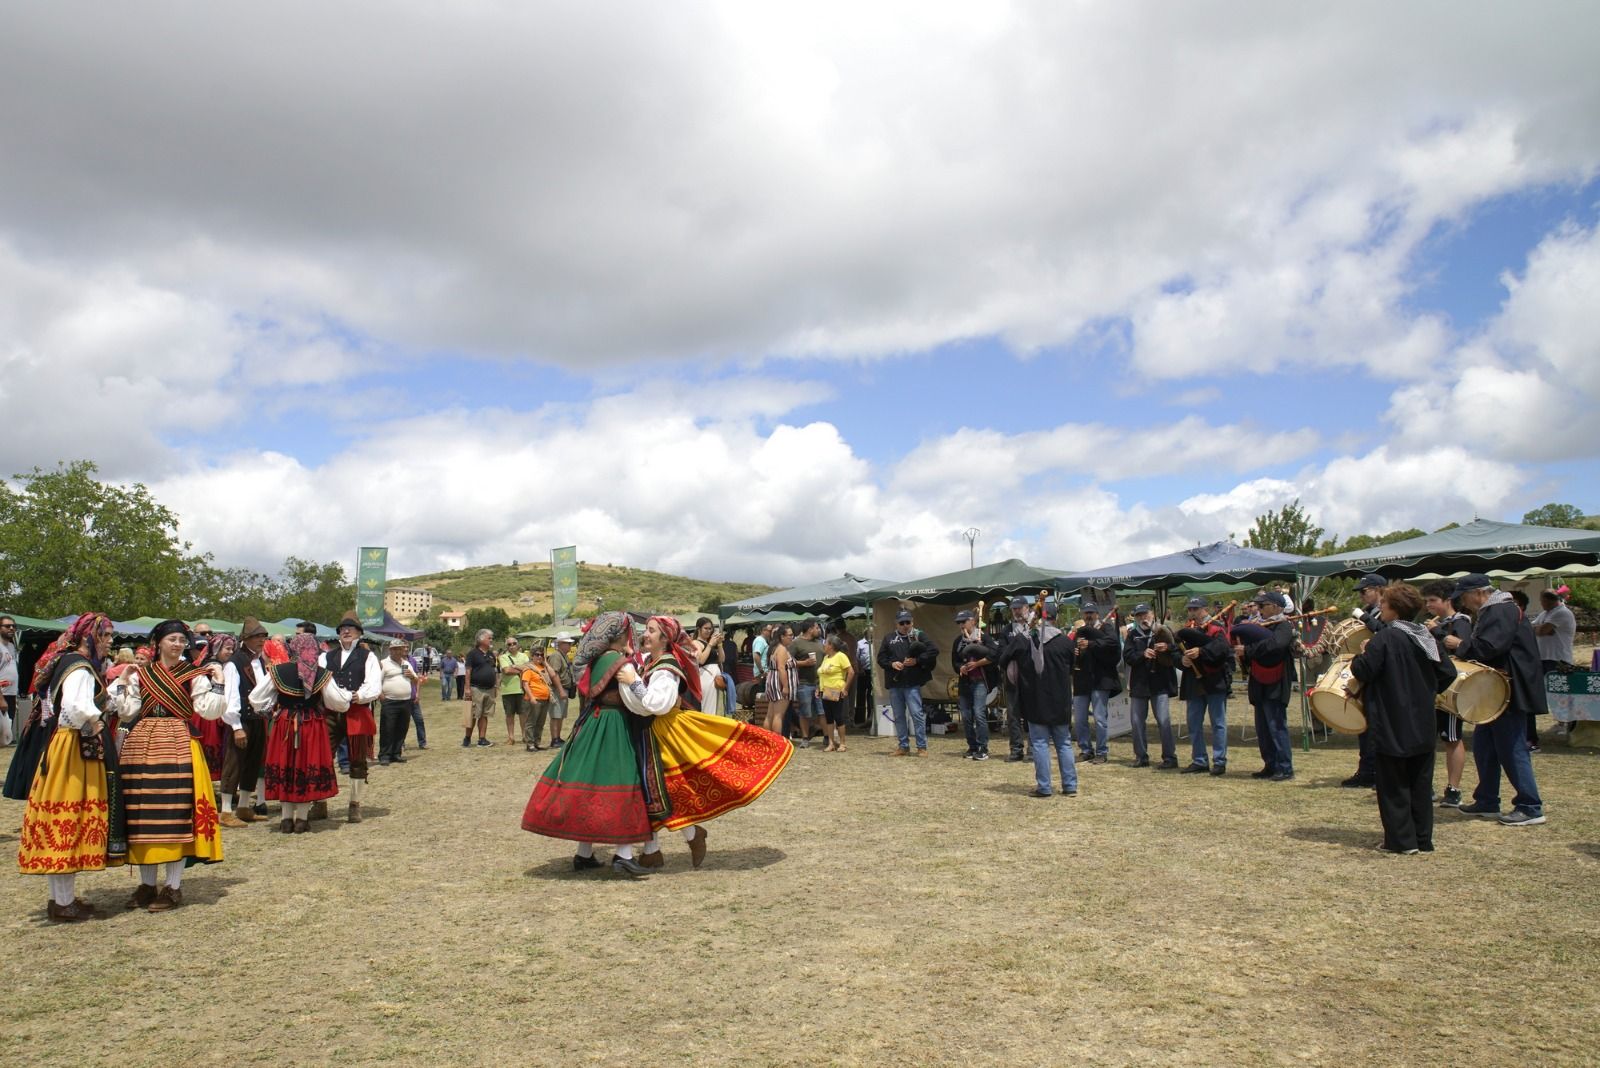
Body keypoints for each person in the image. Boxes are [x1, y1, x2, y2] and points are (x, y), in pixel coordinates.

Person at [627, 616, 793, 870]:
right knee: (652, 791)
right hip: (650, 732)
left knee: (666, 789)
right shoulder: (652, 661)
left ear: (665, 638)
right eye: (646, 630)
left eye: (651, 631)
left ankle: (678, 841)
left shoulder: (666, 666)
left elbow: (657, 705)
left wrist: (632, 682)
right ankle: (661, 847)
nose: (645, 635)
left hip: (666, 732)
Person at [521, 612, 655, 876]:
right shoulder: (620, 664)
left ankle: (584, 854)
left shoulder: (598, 660)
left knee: (590, 784)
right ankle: (623, 855)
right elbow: (639, 700)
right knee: (623, 782)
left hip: (593, 724)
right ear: (621, 635)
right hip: (614, 725)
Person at [16, 612, 126, 921]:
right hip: (75, 748)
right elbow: (76, 708)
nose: (109, 642)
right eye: (105, 636)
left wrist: (115, 690)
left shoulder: (71, 663)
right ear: (90, 636)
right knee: (70, 816)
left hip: (67, 744)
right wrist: (96, 722)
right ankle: (63, 904)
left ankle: (61, 899)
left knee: (66, 817)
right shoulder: (79, 666)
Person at [114, 619, 226, 911]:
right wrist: (123, 681)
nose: (177, 645)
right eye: (171, 639)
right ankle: (147, 885)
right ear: (158, 642)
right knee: (142, 812)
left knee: (175, 811)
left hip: (179, 742)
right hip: (142, 743)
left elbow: (210, 711)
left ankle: (173, 887)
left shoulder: (194, 674)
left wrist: (219, 683)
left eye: (181, 640)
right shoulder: (142, 673)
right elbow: (127, 712)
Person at [1350, 583, 1457, 854]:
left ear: (1394, 609)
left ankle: (1400, 841)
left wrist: (1363, 652)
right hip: (1422, 717)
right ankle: (1422, 839)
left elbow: (1364, 669)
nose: (1381, 609)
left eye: (1384, 605)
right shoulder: (1424, 636)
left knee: (1393, 782)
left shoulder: (1387, 638)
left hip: (1392, 717)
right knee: (1420, 782)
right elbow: (1448, 672)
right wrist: (1426, 691)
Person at [1444, 574, 1546, 826]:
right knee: (1485, 746)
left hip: (1508, 690)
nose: (1463, 603)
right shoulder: (1497, 609)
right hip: (1496, 690)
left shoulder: (1500, 609)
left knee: (1512, 747)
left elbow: (1489, 647)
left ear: (1479, 592)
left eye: (1464, 597)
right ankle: (1487, 800)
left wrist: (1459, 644)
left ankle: (1530, 806)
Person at [257, 632, 345, 834]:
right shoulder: (322, 673)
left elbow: (256, 698)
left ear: (292, 648)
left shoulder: (278, 671)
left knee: (286, 765)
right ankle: (302, 820)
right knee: (307, 765)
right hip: (311, 723)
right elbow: (338, 702)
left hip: (284, 723)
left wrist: (271, 708)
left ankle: (286, 819)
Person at [999, 599, 1076, 797]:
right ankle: (1070, 785)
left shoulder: (1025, 640)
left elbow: (1003, 659)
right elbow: (1073, 665)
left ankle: (1044, 787)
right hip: (1061, 699)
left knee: (1040, 743)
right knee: (1064, 743)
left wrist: (1024, 634)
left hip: (1035, 699)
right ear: (1055, 618)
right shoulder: (1066, 642)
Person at [320, 613, 382, 822]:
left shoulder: (368, 657)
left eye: (351, 628)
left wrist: (360, 695)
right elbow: (319, 680)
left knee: (357, 760)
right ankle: (319, 802)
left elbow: (374, 683)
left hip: (356, 710)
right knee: (322, 757)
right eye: (342, 628)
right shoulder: (326, 656)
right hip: (329, 713)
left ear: (359, 633)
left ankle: (354, 804)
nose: (346, 631)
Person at [1236, 591, 1297, 781]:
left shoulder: (1284, 625)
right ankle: (1270, 764)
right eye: (1259, 606)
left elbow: (1275, 645)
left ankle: (1284, 767)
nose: (1259, 609)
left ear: (1277, 607)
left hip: (1276, 682)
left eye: (1263, 606)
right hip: (1259, 681)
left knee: (1276, 725)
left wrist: (1248, 650)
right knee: (1262, 727)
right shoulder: (1259, 624)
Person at [1423, 581, 1472, 808]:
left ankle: (1453, 789)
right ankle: (1425, 784)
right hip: (1432, 688)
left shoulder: (1461, 622)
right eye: (1427, 601)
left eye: (1433, 600)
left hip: (1452, 689)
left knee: (1451, 738)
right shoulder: (1435, 623)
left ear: (1447, 600)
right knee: (1426, 739)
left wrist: (1436, 632)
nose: (1428, 605)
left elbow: (1459, 649)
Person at [218, 617, 271, 826]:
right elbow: (230, 696)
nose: (261, 640)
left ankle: (244, 807)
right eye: (256, 636)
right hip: (241, 720)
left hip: (258, 719)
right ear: (246, 639)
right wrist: (237, 727)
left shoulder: (260, 661)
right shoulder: (234, 663)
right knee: (234, 764)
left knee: (253, 763)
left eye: (263, 637)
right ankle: (225, 811)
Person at [1342, 573, 1388, 789]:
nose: (1361, 596)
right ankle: (1366, 770)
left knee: (1378, 727)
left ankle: (1379, 772)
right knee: (1365, 725)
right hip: (1367, 671)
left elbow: (1388, 633)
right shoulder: (1371, 612)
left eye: (1364, 591)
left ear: (1379, 589)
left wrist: (1365, 618)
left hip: (1383, 675)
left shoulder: (1388, 612)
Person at [1178, 597, 1232, 776]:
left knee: (1218, 723)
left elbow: (1223, 651)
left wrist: (1201, 651)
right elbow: (1174, 650)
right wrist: (1182, 660)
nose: (1192, 612)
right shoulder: (1187, 629)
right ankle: (1199, 760)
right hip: (1194, 682)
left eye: (1195, 608)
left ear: (1205, 609)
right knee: (1194, 723)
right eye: (1190, 609)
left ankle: (1219, 761)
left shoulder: (1217, 628)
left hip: (1214, 681)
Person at [1123, 603, 1178, 769]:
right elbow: (1127, 655)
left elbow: (1176, 650)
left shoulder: (1164, 630)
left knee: (1163, 720)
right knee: (1137, 721)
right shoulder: (1133, 634)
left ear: (1152, 614)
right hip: (1139, 683)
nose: (1142, 618)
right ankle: (1141, 756)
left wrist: (1166, 647)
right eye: (1138, 615)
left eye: (1144, 614)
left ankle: (1169, 757)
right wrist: (1142, 654)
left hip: (1159, 683)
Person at [878, 609, 937, 756]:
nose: (905, 625)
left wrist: (917, 661)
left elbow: (934, 650)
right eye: (901, 623)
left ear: (912, 622)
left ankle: (921, 747)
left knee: (916, 714)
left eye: (908, 622)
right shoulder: (889, 638)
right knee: (898, 716)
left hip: (912, 683)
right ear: (896, 624)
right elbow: (881, 658)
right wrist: (892, 664)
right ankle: (903, 746)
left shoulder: (919, 635)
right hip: (895, 683)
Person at [1071, 602, 1121, 764]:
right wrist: (1074, 651)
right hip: (1082, 681)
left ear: (1097, 614)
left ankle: (1101, 751)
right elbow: (1072, 650)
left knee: (1100, 718)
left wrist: (1091, 644)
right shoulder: (1080, 632)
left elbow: (1113, 643)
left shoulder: (1106, 628)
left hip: (1100, 680)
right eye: (1086, 613)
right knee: (1079, 719)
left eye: (1091, 613)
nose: (1089, 616)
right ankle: (1085, 749)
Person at [1530, 588, 1576, 748]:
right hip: (1544, 657)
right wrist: (1541, 629)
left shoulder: (1561, 613)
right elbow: (1533, 627)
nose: (1541, 604)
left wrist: (1541, 629)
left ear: (1548, 600)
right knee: (1547, 692)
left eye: (1542, 600)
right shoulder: (1546, 613)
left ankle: (1565, 722)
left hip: (1558, 658)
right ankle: (1561, 721)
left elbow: (1542, 631)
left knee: (1560, 692)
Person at [951, 609, 999, 760]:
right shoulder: (958, 641)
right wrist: (961, 668)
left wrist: (977, 663)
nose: (961, 626)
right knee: (965, 716)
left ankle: (983, 747)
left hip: (980, 681)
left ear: (973, 621)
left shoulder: (984, 638)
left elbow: (994, 655)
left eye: (963, 622)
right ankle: (972, 747)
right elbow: (955, 661)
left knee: (979, 713)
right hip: (965, 682)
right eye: (959, 623)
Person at [1000, 597, 1034, 762]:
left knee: (1032, 715)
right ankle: (1016, 750)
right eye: (1014, 608)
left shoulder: (1034, 627)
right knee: (1013, 715)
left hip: (1032, 679)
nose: (1016, 611)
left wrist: (1014, 648)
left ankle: (1033, 750)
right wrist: (1018, 645)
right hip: (1012, 678)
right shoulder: (1007, 630)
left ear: (1027, 608)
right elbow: (1002, 655)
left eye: (1019, 608)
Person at [377, 638, 419, 766]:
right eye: (395, 649)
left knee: (402, 728)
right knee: (387, 729)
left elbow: (416, 680)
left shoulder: (406, 663)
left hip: (405, 701)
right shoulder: (383, 663)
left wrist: (412, 676)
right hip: (390, 701)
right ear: (390, 650)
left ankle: (396, 753)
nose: (398, 651)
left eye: (400, 649)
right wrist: (381, 696)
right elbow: (377, 681)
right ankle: (385, 755)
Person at [789, 619, 826, 748]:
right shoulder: (796, 643)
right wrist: (803, 663)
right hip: (804, 683)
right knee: (805, 712)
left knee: (823, 711)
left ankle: (827, 736)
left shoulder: (821, 643)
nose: (819, 630)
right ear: (810, 629)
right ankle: (805, 738)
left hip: (821, 683)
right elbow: (787, 661)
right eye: (817, 628)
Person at [817, 633, 855, 752]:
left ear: (831, 646)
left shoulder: (840, 656)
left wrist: (845, 688)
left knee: (838, 717)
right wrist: (819, 688)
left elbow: (851, 672)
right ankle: (831, 743)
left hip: (836, 690)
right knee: (828, 718)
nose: (824, 645)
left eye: (826, 643)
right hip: (825, 691)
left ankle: (842, 742)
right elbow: (822, 674)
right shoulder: (825, 658)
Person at [520, 645, 561, 751]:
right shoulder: (528, 669)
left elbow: (553, 675)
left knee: (540, 722)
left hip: (545, 698)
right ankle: (530, 744)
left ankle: (537, 742)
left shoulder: (543, 668)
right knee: (531, 722)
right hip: (534, 698)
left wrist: (546, 663)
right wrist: (532, 697)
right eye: (537, 655)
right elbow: (525, 685)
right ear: (532, 656)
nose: (539, 657)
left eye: (541, 655)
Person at [463, 629, 499, 747]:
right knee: (473, 714)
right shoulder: (473, 654)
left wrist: (495, 685)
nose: (491, 640)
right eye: (489, 638)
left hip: (489, 689)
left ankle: (482, 739)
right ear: (481, 639)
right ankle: (467, 738)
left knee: (484, 714)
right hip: (476, 688)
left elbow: (494, 670)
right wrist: (467, 688)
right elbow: (468, 671)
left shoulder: (490, 654)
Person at [763, 624, 796, 738]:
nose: (792, 637)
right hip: (779, 683)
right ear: (782, 636)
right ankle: (776, 742)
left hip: (772, 680)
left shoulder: (774, 648)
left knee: (770, 715)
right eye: (790, 635)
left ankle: (767, 739)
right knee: (778, 715)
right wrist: (786, 687)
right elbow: (782, 668)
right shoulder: (781, 649)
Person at [498, 636, 531, 746]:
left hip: (522, 689)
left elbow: (528, 669)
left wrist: (514, 666)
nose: (512, 646)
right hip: (508, 690)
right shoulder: (503, 657)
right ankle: (511, 737)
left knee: (524, 714)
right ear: (506, 646)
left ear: (518, 644)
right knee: (509, 715)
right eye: (509, 644)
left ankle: (525, 736)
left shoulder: (524, 656)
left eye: (514, 643)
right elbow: (506, 670)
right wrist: (521, 668)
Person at [548, 632, 576, 746]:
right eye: (567, 643)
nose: (570, 646)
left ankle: (558, 737)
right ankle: (554, 739)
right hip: (558, 689)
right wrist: (560, 689)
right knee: (556, 715)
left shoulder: (563, 655)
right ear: (560, 643)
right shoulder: (556, 656)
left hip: (564, 689)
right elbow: (554, 674)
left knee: (560, 715)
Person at [0, 615, 18, 746]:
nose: (11, 628)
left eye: (13, 626)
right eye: (7, 626)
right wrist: (1, 699)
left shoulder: (11, 646)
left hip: (11, 693)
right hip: (2, 694)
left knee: (7, 725)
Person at [854, 627, 874, 726]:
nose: (872, 634)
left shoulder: (875, 643)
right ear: (865, 633)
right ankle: (859, 719)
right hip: (862, 672)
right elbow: (856, 658)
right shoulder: (860, 643)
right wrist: (859, 669)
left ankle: (870, 718)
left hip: (873, 673)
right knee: (860, 695)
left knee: (871, 695)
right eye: (870, 632)